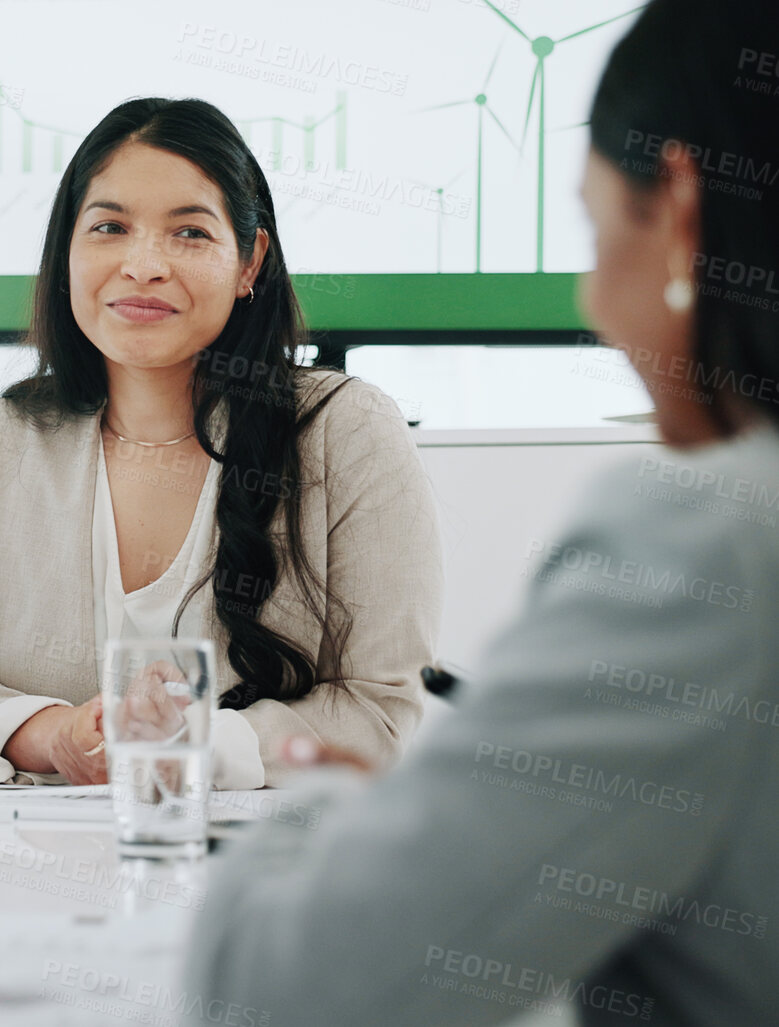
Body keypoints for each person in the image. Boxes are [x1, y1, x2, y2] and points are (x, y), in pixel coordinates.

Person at [182, 2, 779, 1023]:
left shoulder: (711, 540)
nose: (596, 304)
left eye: (596, 234)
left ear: (680, 211)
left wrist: (326, 813)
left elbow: (286, 994)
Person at [0, 97, 441, 790]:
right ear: (67, 252)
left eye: (189, 233)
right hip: (38, 874)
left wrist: (193, 747)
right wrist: (58, 736)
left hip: (270, 873)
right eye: (109, 226)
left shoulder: (345, 429)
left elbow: (381, 709)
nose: (143, 264)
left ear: (249, 263)